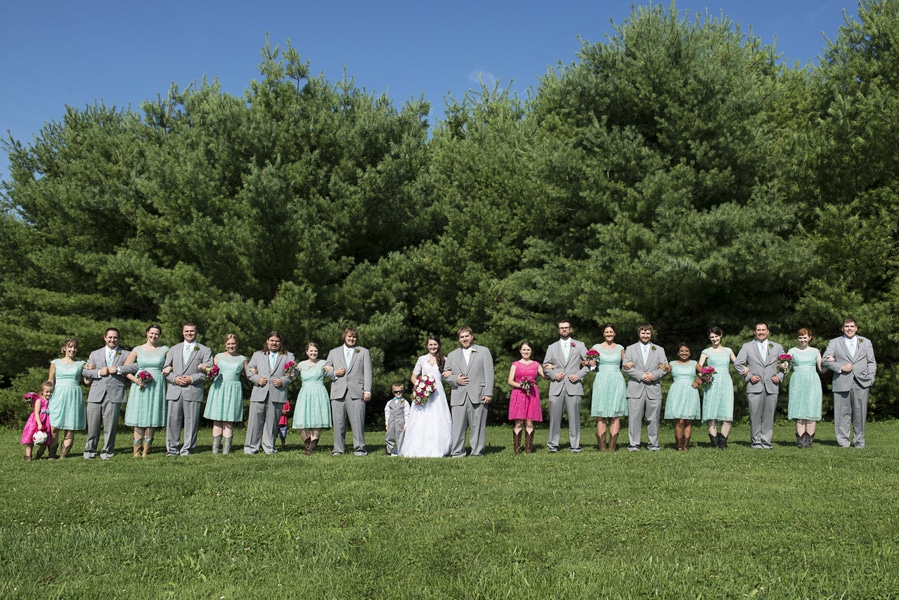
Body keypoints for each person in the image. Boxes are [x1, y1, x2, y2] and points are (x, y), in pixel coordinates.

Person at [823, 318, 877, 448]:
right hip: (841, 381)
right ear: (842, 329)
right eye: (846, 326)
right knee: (842, 413)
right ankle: (843, 442)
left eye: (852, 326)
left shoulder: (865, 342)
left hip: (861, 382)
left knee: (860, 413)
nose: (849, 329)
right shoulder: (834, 342)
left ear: (856, 328)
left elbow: (871, 361)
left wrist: (871, 378)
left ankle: (859, 442)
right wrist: (841, 367)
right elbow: (824, 360)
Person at [82, 328, 132, 459]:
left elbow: (136, 366)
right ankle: (89, 451)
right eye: (110, 337)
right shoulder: (95, 354)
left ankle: (107, 452)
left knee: (110, 426)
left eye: (115, 337)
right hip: (96, 393)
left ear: (118, 339)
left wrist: (118, 369)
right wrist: (99, 372)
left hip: (114, 393)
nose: (112, 340)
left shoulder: (126, 354)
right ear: (105, 338)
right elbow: (85, 371)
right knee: (92, 425)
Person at [444, 326, 494, 457]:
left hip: (478, 394)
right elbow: (445, 374)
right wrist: (455, 379)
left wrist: (488, 393)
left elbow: (489, 373)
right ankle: (457, 452)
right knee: (458, 427)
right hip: (458, 394)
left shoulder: (483, 351)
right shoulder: (452, 355)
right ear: (459, 339)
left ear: (472, 336)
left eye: (467, 336)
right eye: (462, 337)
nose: (464, 339)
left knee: (477, 425)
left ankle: (477, 452)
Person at [163, 323, 213, 457]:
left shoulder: (205, 350)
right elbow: (165, 369)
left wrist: (192, 378)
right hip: (175, 390)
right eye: (186, 331)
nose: (189, 333)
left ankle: (187, 449)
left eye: (192, 331)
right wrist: (174, 378)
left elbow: (208, 372)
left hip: (193, 390)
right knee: (173, 421)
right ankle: (172, 449)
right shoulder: (174, 349)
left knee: (191, 422)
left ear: (196, 332)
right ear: (182, 332)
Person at [541, 320, 590, 453]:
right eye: (561, 328)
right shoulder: (552, 347)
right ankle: (553, 445)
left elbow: (590, 363)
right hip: (556, 386)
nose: (564, 329)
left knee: (574, 418)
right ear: (558, 330)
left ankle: (575, 445)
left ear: (570, 329)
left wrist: (578, 375)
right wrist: (554, 374)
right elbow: (545, 365)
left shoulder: (580, 345)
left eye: (566, 327)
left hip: (574, 386)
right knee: (554, 418)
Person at [735, 322, 785, 450]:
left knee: (769, 414)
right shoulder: (747, 346)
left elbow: (787, 364)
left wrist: (779, 376)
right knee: (754, 414)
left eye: (763, 330)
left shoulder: (777, 347)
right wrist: (749, 376)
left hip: (772, 385)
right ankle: (756, 442)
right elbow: (738, 364)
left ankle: (766, 442)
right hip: (754, 385)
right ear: (754, 332)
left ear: (768, 332)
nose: (761, 332)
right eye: (758, 330)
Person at [245, 331, 295, 455]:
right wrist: (257, 379)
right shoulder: (257, 355)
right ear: (267, 341)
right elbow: (249, 370)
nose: (274, 343)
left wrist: (283, 381)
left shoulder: (288, 356)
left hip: (277, 393)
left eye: (277, 341)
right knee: (254, 422)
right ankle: (251, 448)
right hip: (259, 392)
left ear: (281, 343)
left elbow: (294, 372)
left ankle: (269, 447)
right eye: (272, 340)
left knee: (272, 423)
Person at [123, 324, 170, 458]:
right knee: (139, 415)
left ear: (159, 335)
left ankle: (146, 450)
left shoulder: (164, 349)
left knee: (152, 414)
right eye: (151, 333)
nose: (154, 336)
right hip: (140, 386)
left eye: (156, 334)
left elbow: (173, 364)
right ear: (147, 333)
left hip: (156, 385)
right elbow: (125, 369)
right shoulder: (137, 349)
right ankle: (136, 450)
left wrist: (169, 368)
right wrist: (136, 380)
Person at [403, 335, 453, 458]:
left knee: (438, 418)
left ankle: (439, 447)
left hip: (437, 393)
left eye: (435, 344)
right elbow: (413, 376)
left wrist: (450, 372)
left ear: (439, 345)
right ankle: (419, 447)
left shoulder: (444, 359)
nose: (433, 347)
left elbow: (450, 373)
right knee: (421, 419)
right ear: (427, 346)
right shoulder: (422, 359)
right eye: (430, 344)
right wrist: (421, 386)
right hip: (423, 393)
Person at [325, 328, 372, 456]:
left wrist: (367, 390)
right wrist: (335, 373)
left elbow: (368, 372)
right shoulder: (333, 352)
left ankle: (360, 449)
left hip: (357, 392)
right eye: (349, 336)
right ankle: (338, 449)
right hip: (338, 392)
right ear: (344, 337)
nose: (352, 339)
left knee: (358, 423)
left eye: (354, 337)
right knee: (338, 423)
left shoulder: (363, 352)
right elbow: (325, 370)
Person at [622, 323, 669, 451]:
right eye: (643, 333)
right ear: (639, 333)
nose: (645, 335)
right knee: (634, 418)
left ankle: (653, 444)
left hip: (653, 388)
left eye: (648, 333)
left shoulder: (659, 349)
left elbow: (665, 368)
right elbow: (625, 367)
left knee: (653, 418)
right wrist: (642, 375)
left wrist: (653, 375)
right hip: (635, 388)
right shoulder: (630, 349)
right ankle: (633, 445)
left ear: (651, 334)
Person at [203, 333, 247, 455]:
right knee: (217, 418)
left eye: (233, 343)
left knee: (229, 420)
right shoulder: (218, 357)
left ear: (237, 344)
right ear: (225, 344)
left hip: (233, 389)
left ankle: (226, 451)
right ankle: (215, 450)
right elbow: (212, 372)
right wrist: (207, 369)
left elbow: (249, 374)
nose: (231, 346)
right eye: (228, 344)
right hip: (219, 388)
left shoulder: (242, 359)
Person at [587, 323, 627, 452]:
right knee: (601, 414)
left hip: (616, 379)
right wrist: (590, 362)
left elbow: (626, 364)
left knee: (615, 414)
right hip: (601, 379)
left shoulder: (620, 348)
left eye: (611, 332)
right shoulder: (596, 347)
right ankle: (602, 447)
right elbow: (589, 363)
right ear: (603, 333)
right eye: (606, 332)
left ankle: (612, 446)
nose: (609, 334)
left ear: (615, 333)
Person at [698, 327, 737, 449]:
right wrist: (705, 377)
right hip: (712, 383)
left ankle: (723, 442)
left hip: (726, 382)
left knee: (727, 410)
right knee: (712, 411)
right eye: (712, 337)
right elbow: (699, 370)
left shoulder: (728, 351)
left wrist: (748, 368)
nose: (714, 339)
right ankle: (714, 443)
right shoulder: (706, 352)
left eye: (716, 336)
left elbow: (738, 365)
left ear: (721, 336)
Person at [48, 338, 86, 459]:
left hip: (74, 396)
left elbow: (87, 381)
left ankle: (63, 455)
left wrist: (94, 369)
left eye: (75, 347)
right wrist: (44, 396)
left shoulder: (81, 364)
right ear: (64, 348)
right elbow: (50, 381)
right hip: (58, 395)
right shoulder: (55, 363)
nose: (72, 349)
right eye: (70, 347)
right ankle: (52, 454)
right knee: (54, 426)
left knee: (70, 427)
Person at [292, 342, 332, 456]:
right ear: (307, 352)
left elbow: (332, 371)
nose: (313, 353)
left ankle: (311, 449)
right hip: (305, 393)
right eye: (311, 351)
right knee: (301, 421)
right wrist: (291, 370)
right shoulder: (301, 364)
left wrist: (331, 368)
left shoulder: (323, 363)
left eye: (315, 351)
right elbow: (293, 373)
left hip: (318, 392)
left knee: (316, 421)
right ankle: (307, 444)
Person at [787, 328, 823, 448]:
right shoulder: (792, 351)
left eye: (805, 337)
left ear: (810, 338)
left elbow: (822, 368)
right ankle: (800, 440)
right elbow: (786, 366)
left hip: (812, 381)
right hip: (798, 381)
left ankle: (809, 441)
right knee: (799, 410)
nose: (802, 340)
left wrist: (830, 362)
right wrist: (783, 365)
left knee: (811, 409)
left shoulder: (815, 351)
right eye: (800, 337)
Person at [507, 341, 544, 454]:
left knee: (529, 422)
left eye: (528, 349)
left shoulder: (536, 364)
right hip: (518, 394)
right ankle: (517, 449)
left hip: (532, 394)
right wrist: (521, 385)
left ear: (531, 351)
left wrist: (552, 368)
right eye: (524, 349)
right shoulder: (515, 364)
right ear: (520, 351)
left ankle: (528, 449)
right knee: (518, 422)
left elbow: (546, 376)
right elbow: (510, 381)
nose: (526, 352)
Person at [664, 343, 701, 450]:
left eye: (686, 351)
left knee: (688, 420)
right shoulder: (673, 363)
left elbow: (707, 374)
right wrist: (662, 367)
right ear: (678, 353)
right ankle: (679, 446)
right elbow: (664, 371)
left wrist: (698, 382)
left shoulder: (694, 363)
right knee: (680, 420)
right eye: (682, 351)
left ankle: (686, 446)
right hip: (677, 392)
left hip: (691, 392)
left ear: (690, 352)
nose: (684, 353)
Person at [21, 382, 53, 461]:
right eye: (47, 392)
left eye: (51, 392)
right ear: (42, 391)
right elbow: (36, 412)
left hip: (46, 422)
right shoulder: (39, 401)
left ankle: (38, 455)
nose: (49, 394)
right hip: (36, 422)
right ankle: (28, 457)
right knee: (30, 440)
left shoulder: (51, 401)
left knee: (45, 441)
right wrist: (39, 424)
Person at [385, 382, 411, 456]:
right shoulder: (389, 402)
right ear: (393, 392)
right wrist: (387, 423)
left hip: (400, 422)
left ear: (403, 391)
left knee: (400, 437)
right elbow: (387, 413)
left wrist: (406, 425)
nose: (398, 393)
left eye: (400, 391)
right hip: (391, 422)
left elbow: (407, 414)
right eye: (396, 392)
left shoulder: (405, 403)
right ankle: (389, 450)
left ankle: (400, 451)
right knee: (389, 435)